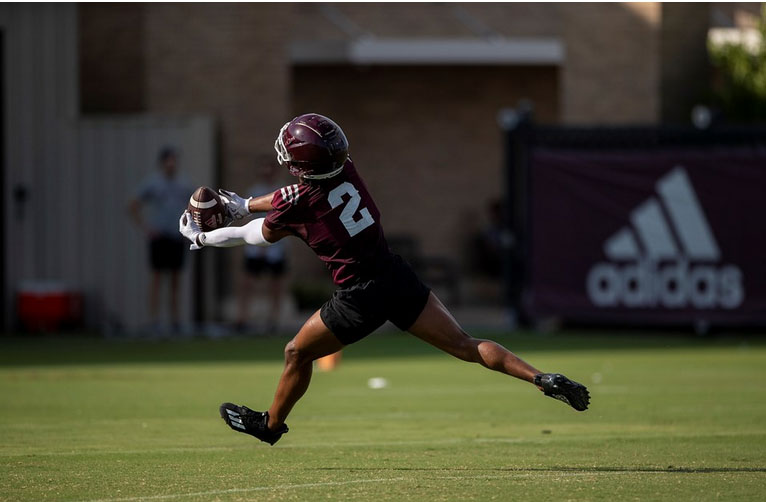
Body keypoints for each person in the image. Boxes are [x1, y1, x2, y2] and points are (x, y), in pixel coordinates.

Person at [179, 114, 589, 446]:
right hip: (395, 274)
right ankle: (540, 378)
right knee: (465, 344)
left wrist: (204, 236)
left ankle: (269, 427)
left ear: (303, 166)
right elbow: (289, 196)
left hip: (359, 296)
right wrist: (244, 203)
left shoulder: (301, 202)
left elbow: (255, 235)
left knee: (296, 354)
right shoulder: (346, 171)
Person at [130, 147, 193, 332]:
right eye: (169, 160)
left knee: (175, 280)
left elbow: (193, 206)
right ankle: (154, 321)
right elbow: (133, 206)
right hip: (159, 237)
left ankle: (175, 321)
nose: (172, 164)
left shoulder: (183, 183)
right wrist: (147, 229)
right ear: (163, 162)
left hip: (176, 236)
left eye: (174, 160)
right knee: (156, 278)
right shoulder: (153, 183)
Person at [236, 164, 288, 334]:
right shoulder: (255, 191)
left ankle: (273, 320)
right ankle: (243, 318)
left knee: (275, 285)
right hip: (255, 247)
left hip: (275, 247)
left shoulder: (282, 192)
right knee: (247, 283)